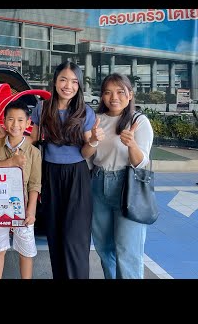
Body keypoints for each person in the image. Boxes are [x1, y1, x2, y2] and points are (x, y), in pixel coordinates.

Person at [29, 60, 97, 279]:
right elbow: (32, 140)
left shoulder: (85, 112)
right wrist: (8, 141)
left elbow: (86, 153)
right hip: (49, 175)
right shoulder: (42, 108)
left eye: (74, 81)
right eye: (63, 80)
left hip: (76, 175)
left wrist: (94, 142)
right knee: (55, 235)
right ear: (55, 82)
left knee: (74, 238)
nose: (68, 85)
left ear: (79, 86)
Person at [82, 73, 153, 279]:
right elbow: (86, 156)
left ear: (130, 95)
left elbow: (141, 162)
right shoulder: (97, 120)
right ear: (102, 96)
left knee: (127, 251)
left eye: (120, 92)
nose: (114, 97)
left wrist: (131, 143)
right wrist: (92, 140)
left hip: (127, 186)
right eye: (108, 92)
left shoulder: (139, 121)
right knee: (104, 248)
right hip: (98, 183)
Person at [0, 99, 41, 279]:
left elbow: (35, 183)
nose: (15, 124)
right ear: (4, 121)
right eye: (10, 119)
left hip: (23, 208)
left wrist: (31, 211)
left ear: (28, 123)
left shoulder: (33, 152)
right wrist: (10, 163)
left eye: (20, 120)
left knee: (26, 251)